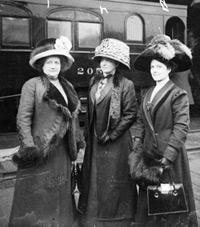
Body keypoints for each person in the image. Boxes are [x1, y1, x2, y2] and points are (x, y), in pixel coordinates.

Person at [9, 36, 83, 227]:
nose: (53, 66)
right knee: (40, 194)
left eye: (56, 62)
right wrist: (29, 146)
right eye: (49, 62)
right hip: (40, 149)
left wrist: (78, 141)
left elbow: (72, 118)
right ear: (42, 65)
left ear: (61, 65)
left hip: (63, 151)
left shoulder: (69, 86)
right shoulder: (32, 85)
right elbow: (22, 119)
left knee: (61, 191)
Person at [129, 34, 198, 227]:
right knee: (150, 203)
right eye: (152, 67)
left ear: (169, 69)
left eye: (159, 67)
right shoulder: (147, 93)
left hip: (170, 158)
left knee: (170, 203)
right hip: (149, 155)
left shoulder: (178, 94)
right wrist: (137, 144)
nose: (155, 71)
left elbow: (181, 129)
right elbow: (141, 122)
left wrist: (166, 159)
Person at [78, 38, 138, 227]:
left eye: (108, 60)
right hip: (96, 141)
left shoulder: (126, 84)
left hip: (117, 142)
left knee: (115, 179)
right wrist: (89, 135)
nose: (104, 63)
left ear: (117, 63)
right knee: (95, 178)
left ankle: (118, 218)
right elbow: (90, 111)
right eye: (101, 59)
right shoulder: (94, 81)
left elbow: (130, 114)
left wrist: (112, 134)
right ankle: (93, 216)